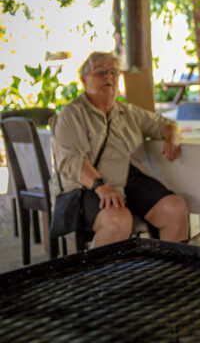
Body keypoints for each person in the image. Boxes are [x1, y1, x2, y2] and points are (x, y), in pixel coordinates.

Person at [50, 51, 189, 248]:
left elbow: (166, 124)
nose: (108, 77)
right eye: (100, 73)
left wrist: (172, 137)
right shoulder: (71, 114)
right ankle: (98, 278)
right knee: (118, 220)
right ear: (84, 79)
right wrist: (101, 186)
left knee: (175, 208)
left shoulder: (128, 112)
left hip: (124, 180)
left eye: (113, 73)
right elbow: (70, 160)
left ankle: (170, 274)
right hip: (85, 186)